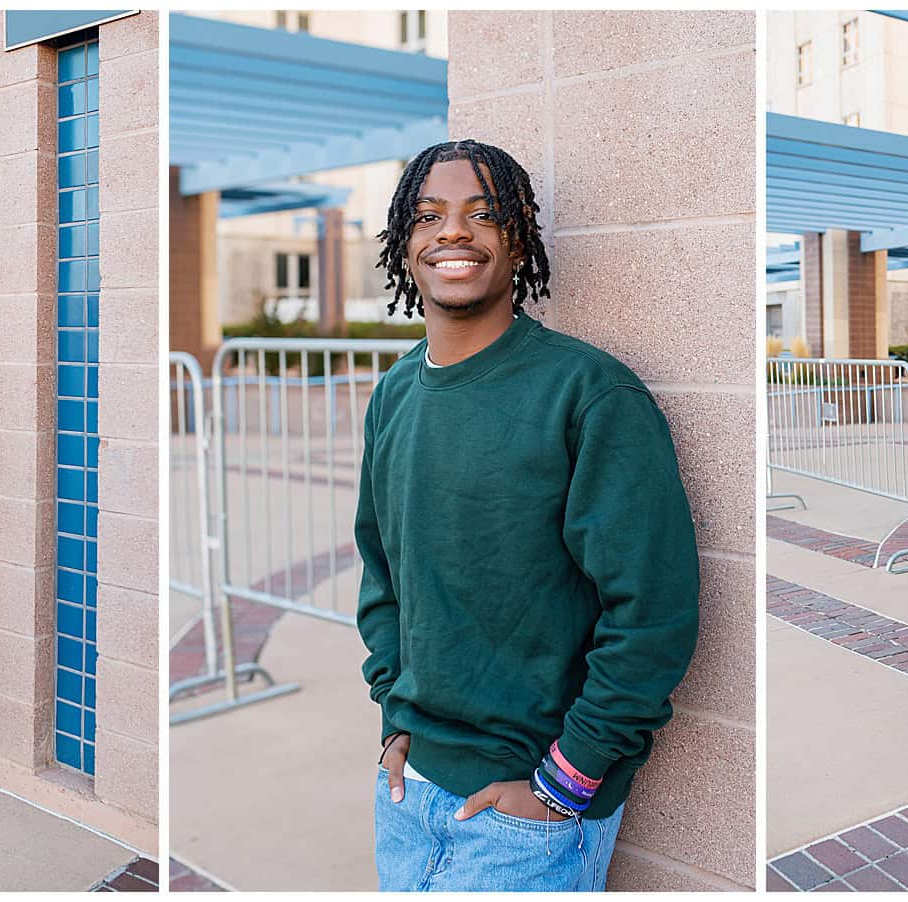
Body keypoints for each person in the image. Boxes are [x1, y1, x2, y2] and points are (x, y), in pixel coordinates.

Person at [354, 139, 701, 891]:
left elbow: (654, 611)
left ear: (519, 240)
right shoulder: (394, 395)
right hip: (408, 790)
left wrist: (564, 785)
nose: (452, 232)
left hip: (530, 815)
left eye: (484, 214)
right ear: (404, 244)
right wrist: (394, 713)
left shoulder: (589, 393)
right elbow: (383, 572)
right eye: (428, 216)